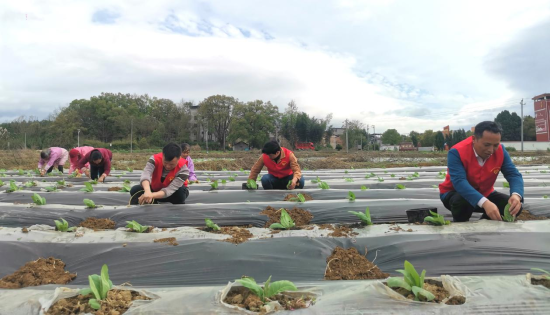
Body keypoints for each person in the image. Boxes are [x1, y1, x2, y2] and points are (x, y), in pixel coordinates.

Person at [439, 121, 524, 222]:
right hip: (455, 193)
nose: (491, 150)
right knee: (462, 202)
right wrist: (485, 203)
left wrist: (516, 195)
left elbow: (513, 174)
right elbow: (459, 182)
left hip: (485, 193)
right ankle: (461, 230)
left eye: (495, 145)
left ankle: (486, 222)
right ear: (474, 139)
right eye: (487, 145)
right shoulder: (456, 152)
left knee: (513, 208)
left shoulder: (501, 151)